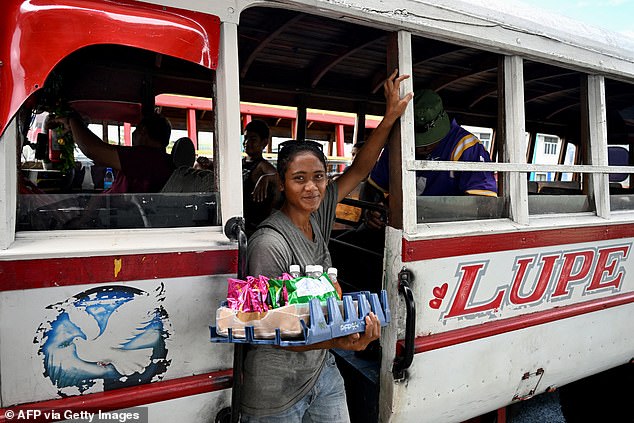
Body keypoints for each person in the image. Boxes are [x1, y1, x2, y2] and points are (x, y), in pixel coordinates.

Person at [240, 69, 412, 423]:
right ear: (282, 183)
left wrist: (391, 115)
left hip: (321, 371)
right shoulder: (269, 243)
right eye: (298, 179)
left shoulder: (317, 215)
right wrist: (341, 341)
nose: (311, 188)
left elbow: (362, 167)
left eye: (318, 177)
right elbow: (266, 327)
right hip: (276, 389)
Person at [362, 88, 497, 230]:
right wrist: (372, 211)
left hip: (446, 233)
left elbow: (483, 204)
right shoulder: (397, 144)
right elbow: (372, 187)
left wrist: (422, 211)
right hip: (397, 229)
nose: (422, 148)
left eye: (428, 142)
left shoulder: (466, 146)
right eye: (418, 142)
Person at [53, 111, 175, 193]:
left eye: (136, 130)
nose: (133, 134)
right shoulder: (162, 160)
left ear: (142, 131)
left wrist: (72, 119)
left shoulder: (144, 157)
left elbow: (93, 150)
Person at [242, 119, 281, 237]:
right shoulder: (240, 163)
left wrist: (268, 177)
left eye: (253, 139)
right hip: (240, 224)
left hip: (255, 229)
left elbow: (282, 182)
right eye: (245, 138)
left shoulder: (264, 168)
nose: (247, 142)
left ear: (264, 143)